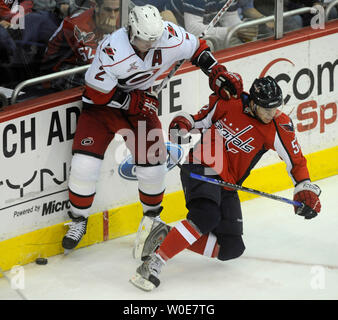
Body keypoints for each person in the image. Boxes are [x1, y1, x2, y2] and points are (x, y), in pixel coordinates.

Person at [61, 5, 243, 253]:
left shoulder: (167, 34)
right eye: (145, 41)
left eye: (153, 40)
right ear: (132, 31)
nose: (151, 45)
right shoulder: (113, 48)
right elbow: (96, 93)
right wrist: (133, 101)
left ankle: (151, 219)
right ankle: (78, 220)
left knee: (154, 167)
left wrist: (216, 72)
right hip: (101, 108)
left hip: (140, 106)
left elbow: (197, 49)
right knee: (84, 166)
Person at [130, 74, 322, 291]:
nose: (272, 113)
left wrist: (305, 188)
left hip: (228, 183)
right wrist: (182, 125)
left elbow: (296, 162)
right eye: (267, 108)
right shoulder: (228, 103)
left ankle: (162, 234)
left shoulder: (279, 125)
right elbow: (195, 121)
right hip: (203, 165)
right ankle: (155, 262)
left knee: (231, 248)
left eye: (276, 108)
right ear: (253, 103)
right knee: (206, 216)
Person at [41, 0, 120, 90]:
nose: (113, 15)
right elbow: (97, 62)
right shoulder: (76, 24)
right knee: (103, 80)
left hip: (84, 64)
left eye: (117, 10)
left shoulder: (121, 18)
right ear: (97, 7)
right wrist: (111, 32)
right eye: (108, 10)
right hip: (57, 72)